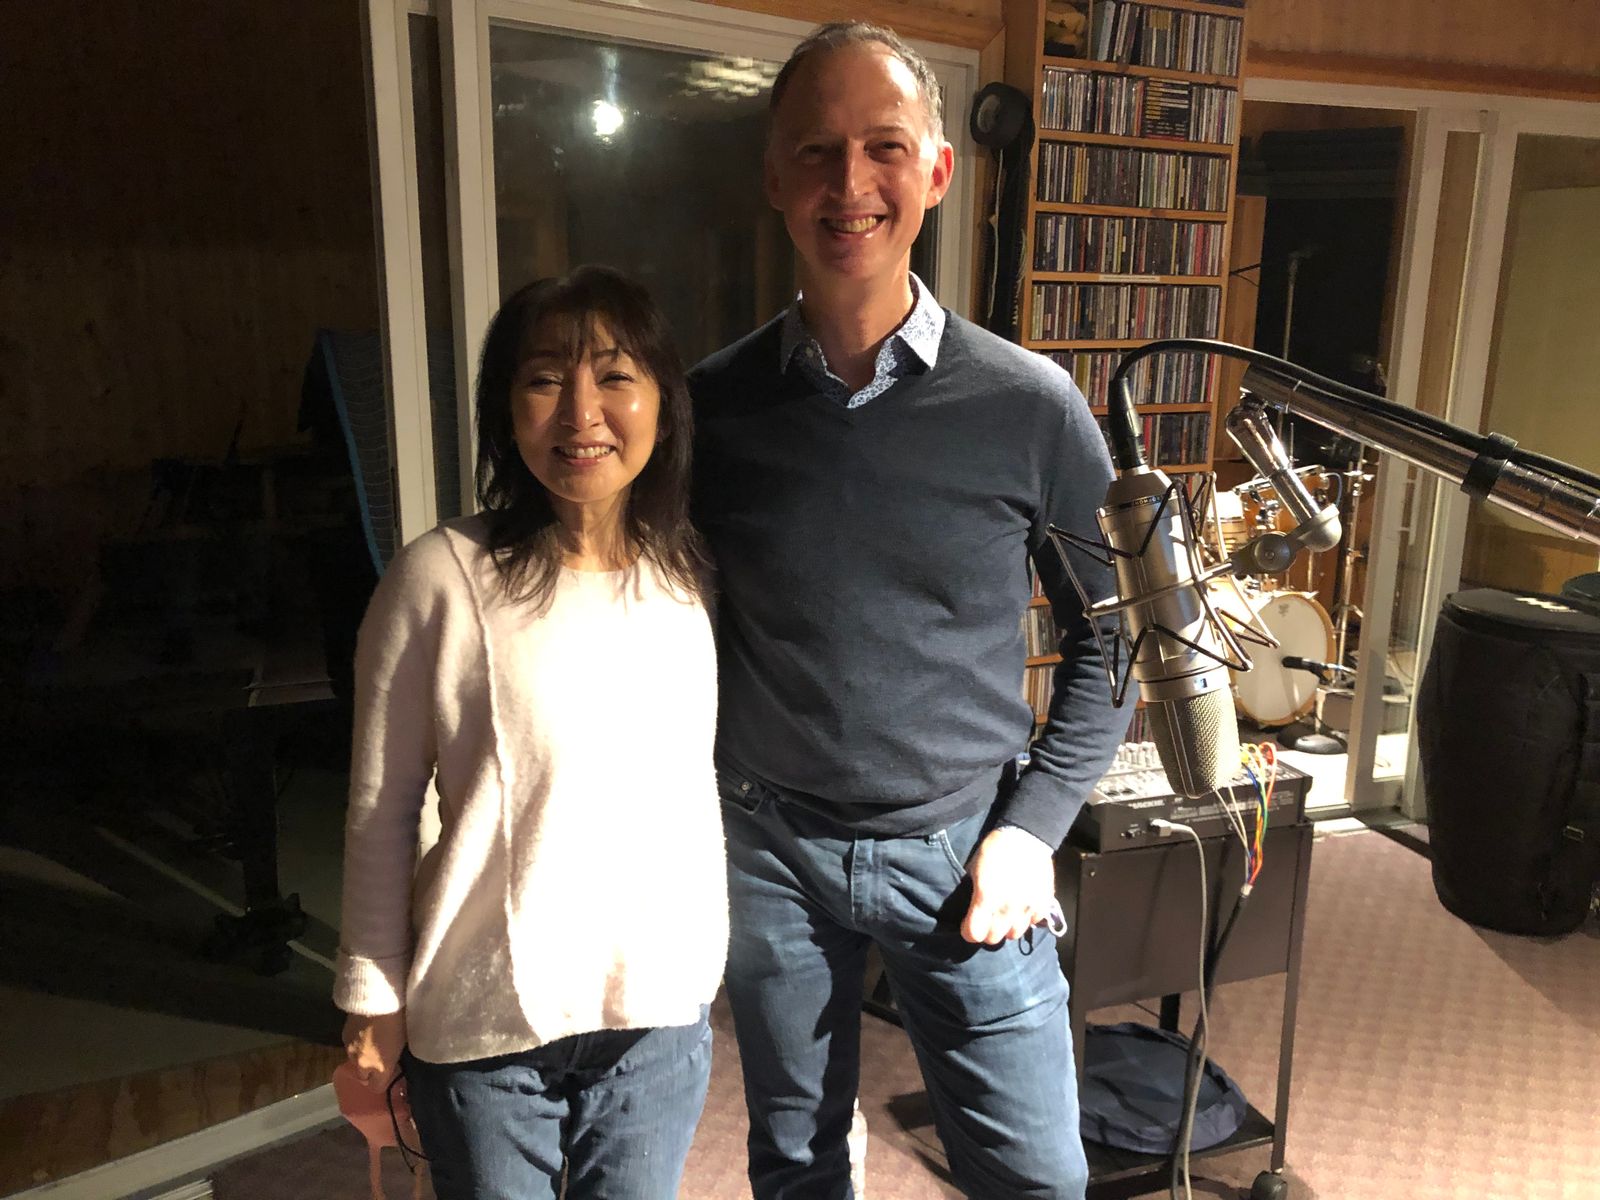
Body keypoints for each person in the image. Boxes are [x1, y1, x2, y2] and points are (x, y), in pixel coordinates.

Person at [688, 22, 1127, 1200]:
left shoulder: (1031, 408)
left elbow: (1114, 636)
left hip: (964, 851)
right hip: (769, 851)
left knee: (1035, 1180)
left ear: (935, 172)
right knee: (794, 1166)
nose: (850, 184)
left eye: (883, 147)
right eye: (816, 151)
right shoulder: (708, 411)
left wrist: (1033, 829)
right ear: (774, 178)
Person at [335, 265, 726, 1200]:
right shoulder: (440, 578)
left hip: (655, 1023)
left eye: (615, 376)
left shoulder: (690, 579)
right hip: (485, 1029)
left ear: (663, 404)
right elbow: (382, 809)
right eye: (546, 378)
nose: (582, 413)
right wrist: (371, 1001)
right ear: (506, 409)